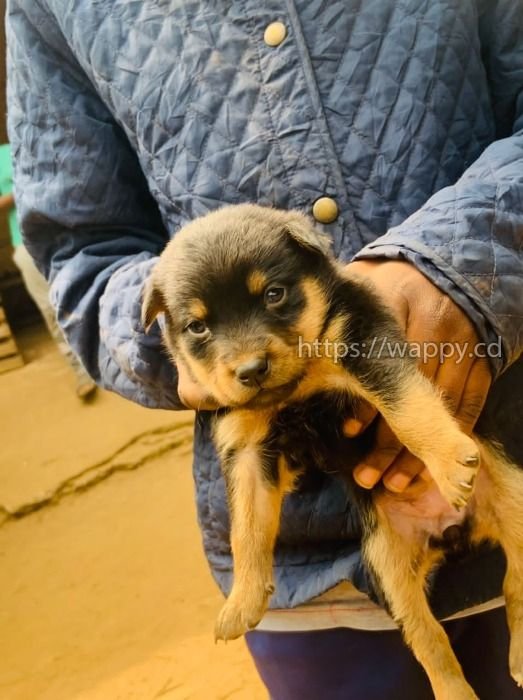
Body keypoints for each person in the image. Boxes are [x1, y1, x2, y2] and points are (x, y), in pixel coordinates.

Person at [6, 1, 522, 697]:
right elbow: (80, 256)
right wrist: (184, 351)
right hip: (316, 576)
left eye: (275, 299)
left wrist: (462, 267)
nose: (250, 356)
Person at [0, 143, 97, 400]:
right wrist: (21, 191)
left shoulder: (22, 145)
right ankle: (82, 372)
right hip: (25, 243)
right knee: (50, 309)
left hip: (63, 231)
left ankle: (108, 360)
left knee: (85, 293)